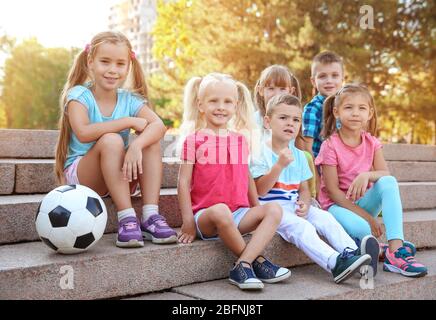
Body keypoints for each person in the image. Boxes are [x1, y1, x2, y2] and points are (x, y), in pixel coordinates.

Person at [55, 31, 177, 248]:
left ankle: (150, 216)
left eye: (120, 64)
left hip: (119, 174)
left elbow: (158, 125)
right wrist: (127, 122)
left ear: (128, 66)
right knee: (112, 140)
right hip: (85, 177)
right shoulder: (79, 96)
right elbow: (83, 132)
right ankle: (127, 218)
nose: (112, 70)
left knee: (149, 141)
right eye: (105, 62)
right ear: (90, 62)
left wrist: (137, 145)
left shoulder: (129, 99)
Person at [177, 73, 291, 290]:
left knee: (274, 209)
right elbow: (183, 183)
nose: (221, 107)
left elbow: (246, 175)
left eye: (227, 101)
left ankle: (242, 265)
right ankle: (257, 262)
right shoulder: (194, 140)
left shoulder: (240, 140)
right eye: (213, 101)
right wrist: (188, 222)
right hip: (208, 216)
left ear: (235, 105)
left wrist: (257, 208)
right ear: (201, 105)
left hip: (238, 214)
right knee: (221, 210)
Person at [250, 93, 375, 283]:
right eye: (283, 118)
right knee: (303, 228)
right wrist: (279, 166)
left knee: (326, 218)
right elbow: (260, 191)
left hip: (293, 205)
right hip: (271, 211)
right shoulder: (260, 153)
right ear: (268, 122)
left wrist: (306, 203)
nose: (290, 123)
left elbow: (304, 189)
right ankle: (335, 263)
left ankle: (352, 253)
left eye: (295, 120)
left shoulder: (300, 155)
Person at [315, 84, 427, 278]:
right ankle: (376, 248)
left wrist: (367, 175)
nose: (355, 113)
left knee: (388, 182)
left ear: (370, 113)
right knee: (363, 228)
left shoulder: (372, 143)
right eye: (348, 107)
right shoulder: (330, 145)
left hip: (362, 203)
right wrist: (368, 217)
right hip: (336, 207)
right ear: (337, 112)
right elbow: (332, 192)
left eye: (362, 108)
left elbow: (385, 173)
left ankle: (394, 250)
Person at [253, 65, 318, 200]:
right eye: (271, 88)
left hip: (287, 173)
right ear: (260, 90)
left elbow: (297, 149)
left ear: (291, 91)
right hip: (263, 168)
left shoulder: (293, 118)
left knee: (305, 157)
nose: (277, 93)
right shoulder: (254, 120)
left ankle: (309, 197)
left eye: (282, 89)